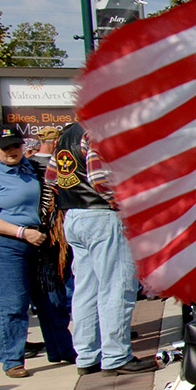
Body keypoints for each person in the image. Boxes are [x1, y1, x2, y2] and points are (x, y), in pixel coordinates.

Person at [47, 121, 151, 376]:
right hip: (103, 216)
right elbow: (99, 179)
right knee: (116, 286)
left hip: (75, 215)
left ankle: (86, 355)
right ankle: (116, 355)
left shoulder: (66, 135)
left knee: (86, 288)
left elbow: (51, 177)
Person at [0, 125, 76, 377]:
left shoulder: (31, 169)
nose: (12, 151)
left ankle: (61, 349)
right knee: (14, 302)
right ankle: (12, 359)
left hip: (38, 241)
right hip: (4, 244)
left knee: (50, 300)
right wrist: (20, 232)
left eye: (16, 146)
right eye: (5, 147)